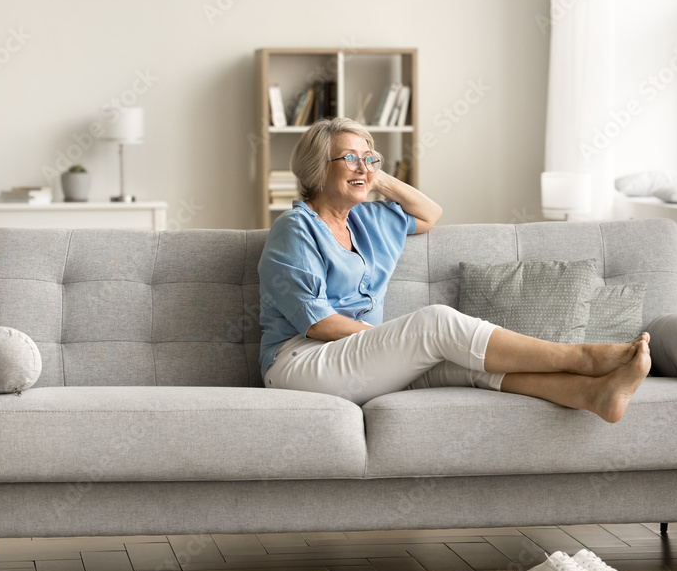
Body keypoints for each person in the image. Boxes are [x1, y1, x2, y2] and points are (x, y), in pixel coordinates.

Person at [258, 118, 650, 423]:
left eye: (369, 157)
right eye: (349, 158)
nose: (363, 167)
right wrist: (391, 341)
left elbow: (430, 213)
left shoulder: (368, 219)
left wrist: (377, 176)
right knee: (436, 324)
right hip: (301, 362)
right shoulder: (295, 229)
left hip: (356, 359)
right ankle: (579, 357)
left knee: (464, 364)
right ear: (316, 168)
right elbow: (319, 324)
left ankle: (593, 396)